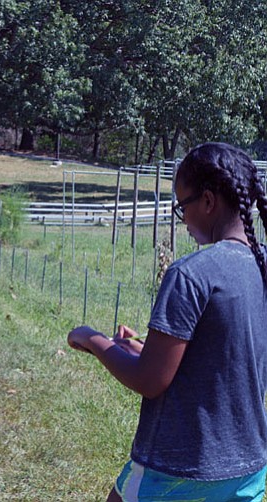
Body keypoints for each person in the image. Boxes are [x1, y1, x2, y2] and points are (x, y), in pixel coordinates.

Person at [67, 142, 267, 502]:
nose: (183, 219)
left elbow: (150, 380)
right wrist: (143, 349)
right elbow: (228, 362)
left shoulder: (191, 274)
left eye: (182, 206)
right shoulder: (262, 268)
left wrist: (95, 341)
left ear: (207, 202)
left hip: (179, 469)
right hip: (248, 468)